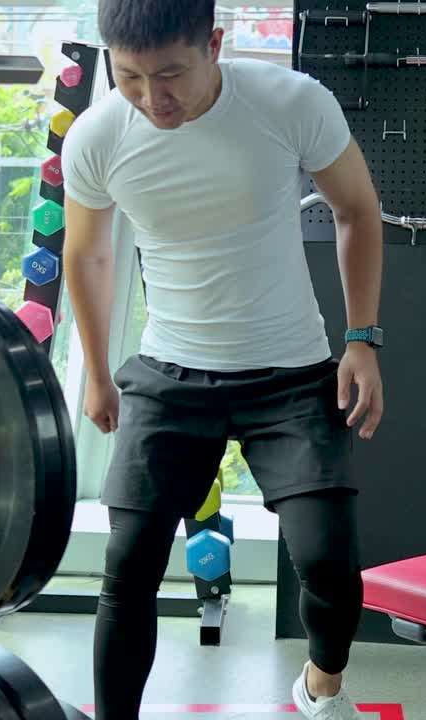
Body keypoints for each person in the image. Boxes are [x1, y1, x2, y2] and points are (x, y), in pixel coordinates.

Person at [60, 1, 385, 718]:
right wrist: (96, 371)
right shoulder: (98, 135)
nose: (153, 98)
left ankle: (321, 689)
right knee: (128, 565)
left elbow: (356, 210)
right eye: (130, 77)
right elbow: (86, 252)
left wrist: (362, 338)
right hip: (169, 376)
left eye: (171, 73)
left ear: (213, 43)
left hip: (293, 377)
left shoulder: (290, 101)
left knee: (328, 562)